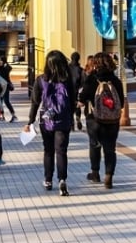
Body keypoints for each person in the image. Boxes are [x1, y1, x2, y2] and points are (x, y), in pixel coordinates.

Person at [25, 50, 77, 196]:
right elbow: (72, 102)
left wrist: (30, 121)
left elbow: (35, 102)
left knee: (48, 150)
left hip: (46, 121)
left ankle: (48, 180)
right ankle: (62, 180)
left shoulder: (40, 80)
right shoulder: (67, 81)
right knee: (61, 151)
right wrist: (70, 117)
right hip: (63, 120)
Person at [79, 52, 125, 189]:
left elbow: (82, 98)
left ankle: (95, 173)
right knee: (110, 148)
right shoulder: (115, 81)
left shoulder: (91, 79)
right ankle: (109, 176)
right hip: (112, 120)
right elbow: (121, 102)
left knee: (95, 145)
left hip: (94, 118)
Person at [0, 57, 17, 122]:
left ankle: (14, 116)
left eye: (0, 61)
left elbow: (9, 68)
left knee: (6, 101)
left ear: (3, 61)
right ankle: (2, 116)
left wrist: (5, 63)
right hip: (0, 87)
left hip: (6, 87)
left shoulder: (6, 68)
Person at [69, 51, 85, 131]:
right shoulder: (81, 70)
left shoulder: (67, 69)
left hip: (68, 91)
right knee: (77, 106)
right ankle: (78, 118)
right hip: (77, 90)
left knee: (70, 107)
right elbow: (83, 82)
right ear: (78, 59)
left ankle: (71, 123)